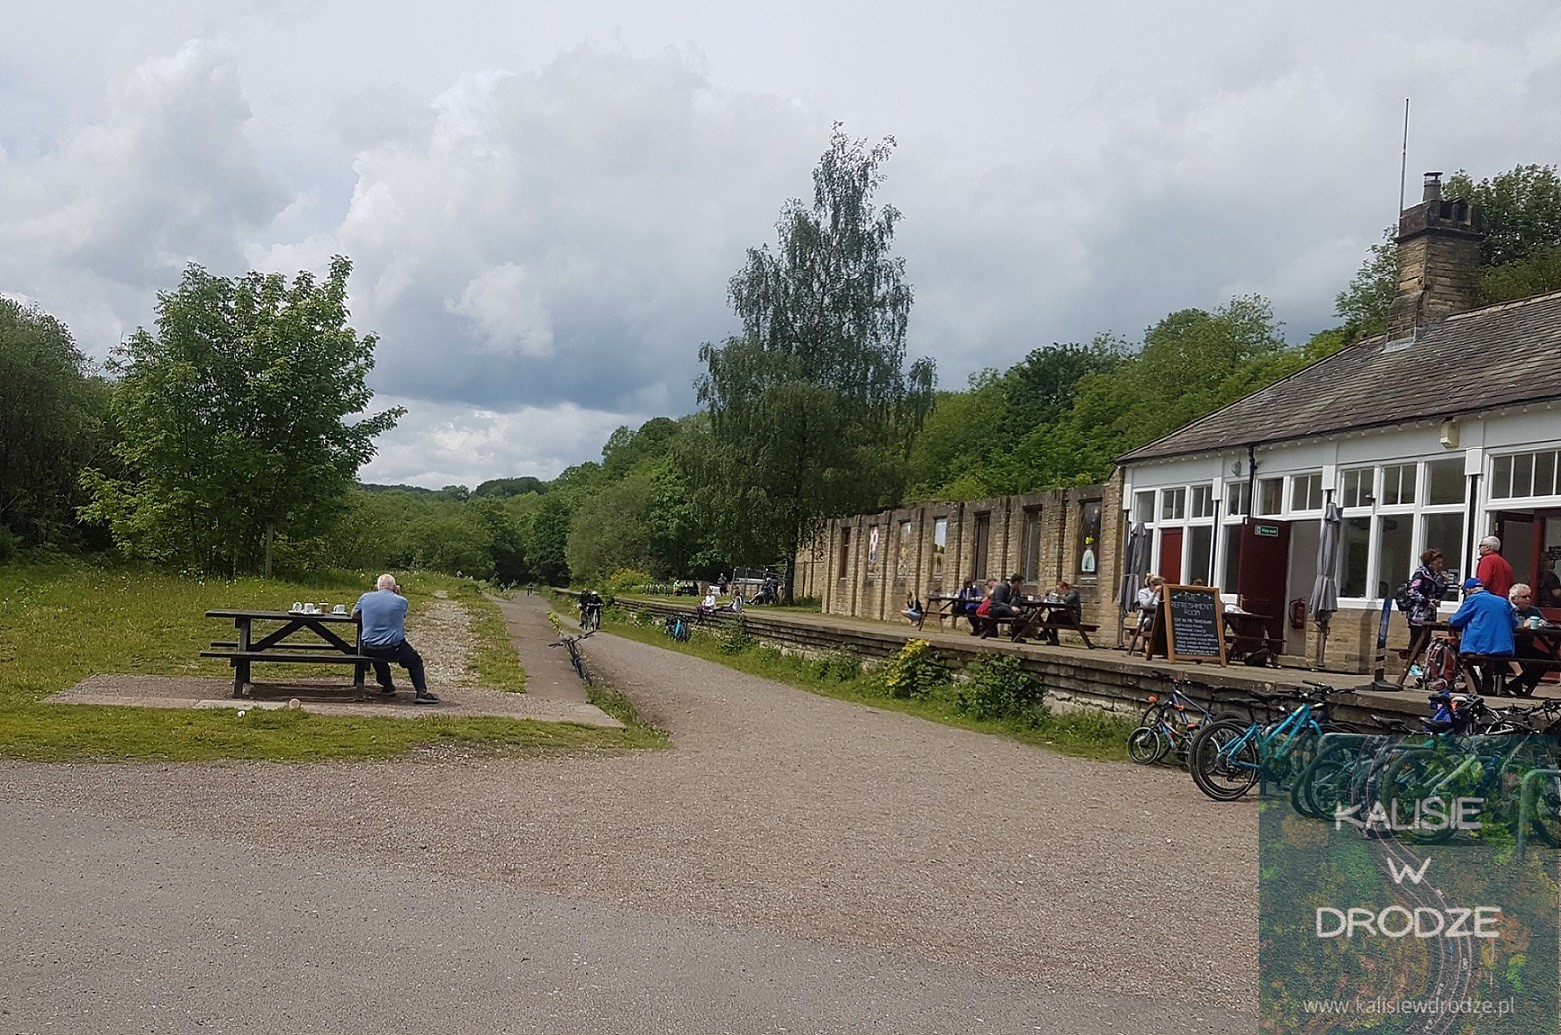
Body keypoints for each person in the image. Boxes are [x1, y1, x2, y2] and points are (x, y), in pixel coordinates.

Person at [352, 574, 439, 704]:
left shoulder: (365, 597)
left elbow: (354, 614)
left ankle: (387, 686)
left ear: (377, 586)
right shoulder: (401, 601)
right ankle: (421, 692)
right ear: (394, 587)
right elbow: (401, 615)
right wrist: (398, 594)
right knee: (415, 660)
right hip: (394, 647)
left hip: (368, 647)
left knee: (378, 656)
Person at [1446, 577, 1517, 695]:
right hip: (1504, 648)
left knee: (1455, 653)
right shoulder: (1503, 601)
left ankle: (1475, 686)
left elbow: (1455, 621)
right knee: (1485, 657)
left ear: (1468, 591)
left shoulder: (1473, 600)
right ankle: (1485, 686)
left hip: (1479, 648)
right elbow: (1514, 624)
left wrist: (1450, 618)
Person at [1508, 583, 1554, 696]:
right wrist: (1522, 624)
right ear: (1514, 598)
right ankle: (1517, 684)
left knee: (1548, 660)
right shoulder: (1506, 609)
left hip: (1525, 646)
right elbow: (1505, 626)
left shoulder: (1533, 610)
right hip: (1509, 646)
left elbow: (1546, 623)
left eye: (1529, 596)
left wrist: (1541, 624)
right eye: (1524, 597)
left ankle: (1518, 683)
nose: (1528, 599)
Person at [981, 574, 1027, 640]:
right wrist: (1011, 607)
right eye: (1021, 583)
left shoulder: (1016, 590)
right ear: (1016, 583)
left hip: (1006, 609)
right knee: (1017, 615)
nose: (1022, 585)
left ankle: (1016, 636)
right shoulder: (1001, 588)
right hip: (994, 609)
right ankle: (1020, 617)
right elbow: (998, 602)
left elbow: (1017, 599)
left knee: (1021, 617)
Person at [1126, 575, 1163, 654]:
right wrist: (1154, 593)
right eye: (1156, 585)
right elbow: (1146, 605)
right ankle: (1150, 645)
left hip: (1159, 616)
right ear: (1151, 584)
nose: (1159, 587)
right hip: (1146, 619)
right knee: (1153, 622)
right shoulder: (1143, 592)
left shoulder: (1163, 593)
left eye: (1160, 585)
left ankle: (1163, 648)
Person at [1474, 535, 1515, 601]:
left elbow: (1482, 583)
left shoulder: (1487, 560)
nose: (1479, 548)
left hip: (1489, 599)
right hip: (1503, 600)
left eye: (1480, 546)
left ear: (1488, 547)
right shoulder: (1505, 563)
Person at [1042, 580, 1082, 645]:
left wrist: (1058, 596)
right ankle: (1049, 636)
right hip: (1069, 615)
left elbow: (1068, 599)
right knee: (1052, 615)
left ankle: (1047, 634)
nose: (1059, 592)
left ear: (1064, 588)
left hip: (1074, 617)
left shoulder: (1073, 593)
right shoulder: (1066, 594)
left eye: (1059, 590)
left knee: (1052, 617)